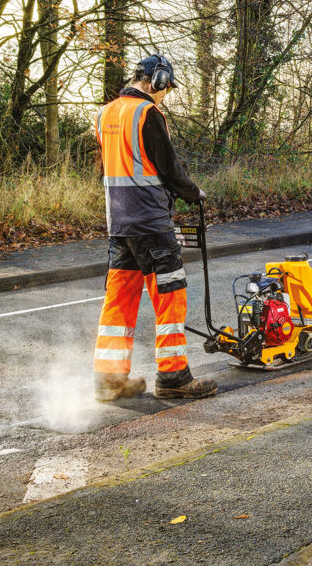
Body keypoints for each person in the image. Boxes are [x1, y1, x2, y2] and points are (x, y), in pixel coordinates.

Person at [92, 54, 216, 402]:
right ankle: (174, 377)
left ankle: (109, 380)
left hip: (119, 225)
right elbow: (169, 168)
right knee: (170, 298)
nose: (165, 96)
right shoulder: (147, 113)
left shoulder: (104, 114)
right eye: (166, 89)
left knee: (119, 301)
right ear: (157, 80)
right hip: (151, 223)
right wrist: (193, 193)